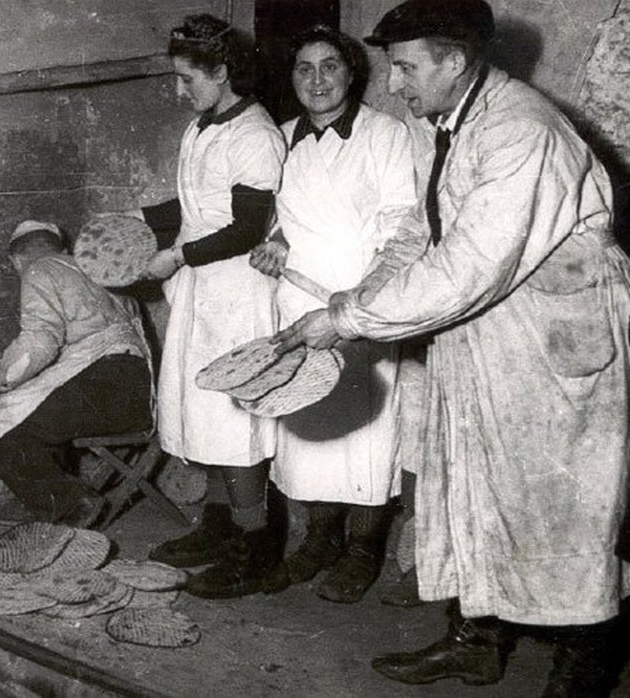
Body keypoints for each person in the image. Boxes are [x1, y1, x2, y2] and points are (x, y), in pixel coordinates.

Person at [274, 0, 630, 693]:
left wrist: (349, 320)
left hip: (551, 341)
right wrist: (350, 301)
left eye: (406, 69)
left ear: (454, 62)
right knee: (468, 489)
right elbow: (420, 233)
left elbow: (469, 265)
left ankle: (584, 670)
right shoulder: (453, 124)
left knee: (561, 514)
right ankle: (475, 642)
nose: (395, 85)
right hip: (489, 335)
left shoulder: (521, 131)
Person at [122, 13, 287, 598]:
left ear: (222, 73)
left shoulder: (256, 135)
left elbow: (245, 227)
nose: (179, 91)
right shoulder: (203, 128)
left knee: (235, 424)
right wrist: (135, 222)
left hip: (237, 294)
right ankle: (218, 528)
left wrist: (175, 257)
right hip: (201, 291)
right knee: (205, 419)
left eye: (188, 79)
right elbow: (194, 205)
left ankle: (258, 551)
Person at [249, 25, 416, 604]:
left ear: (352, 74)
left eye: (329, 67)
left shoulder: (385, 133)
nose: (316, 80)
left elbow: (402, 224)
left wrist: (362, 301)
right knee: (310, 430)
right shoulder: (285, 136)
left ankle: (362, 551)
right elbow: (283, 214)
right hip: (299, 305)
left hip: (361, 305)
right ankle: (320, 540)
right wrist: (274, 238)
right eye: (303, 68)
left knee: (365, 436)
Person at [0, 219, 152, 528]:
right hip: (138, 395)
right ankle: (42, 500)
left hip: (104, 383)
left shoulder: (39, 270)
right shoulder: (98, 270)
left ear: (16, 260)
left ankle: (71, 503)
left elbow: (39, 342)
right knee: (36, 408)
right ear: (64, 248)